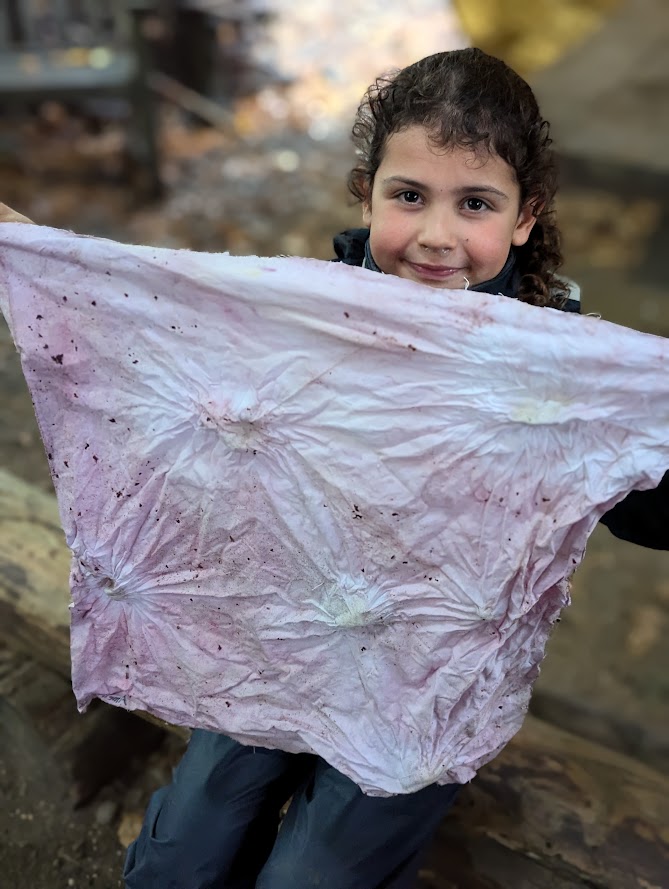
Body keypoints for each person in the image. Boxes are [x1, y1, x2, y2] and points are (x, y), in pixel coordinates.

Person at [0, 46, 666, 889]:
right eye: (409, 196)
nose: (435, 235)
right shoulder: (306, 317)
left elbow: (647, 503)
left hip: (425, 689)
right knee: (178, 856)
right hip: (278, 640)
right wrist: (37, 258)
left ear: (524, 217)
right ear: (367, 191)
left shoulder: (563, 367)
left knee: (306, 879)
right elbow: (161, 331)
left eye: (475, 204)